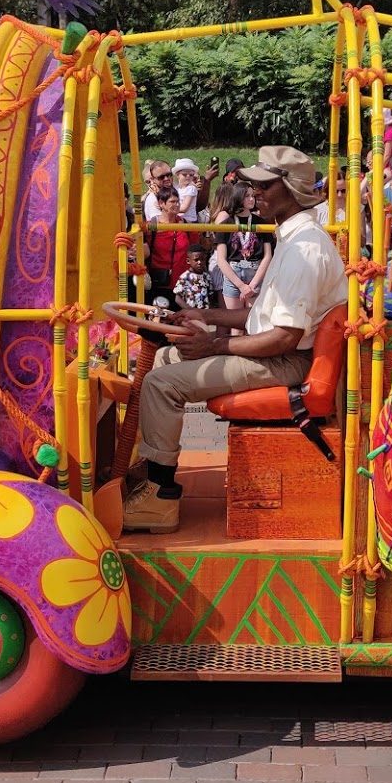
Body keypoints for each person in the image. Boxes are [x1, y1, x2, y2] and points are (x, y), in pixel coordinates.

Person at [123, 147, 343, 534]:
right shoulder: (293, 239)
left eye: (263, 185)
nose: (252, 192)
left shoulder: (304, 250)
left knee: (160, 383)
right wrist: (204, 316)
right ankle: (155, 467)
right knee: (164, 362)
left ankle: (160, 500)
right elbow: (264, 318)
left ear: (290, 190)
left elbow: (283, 337)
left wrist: (212, 345)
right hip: (279, 350)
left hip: (287, 361)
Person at [212, 183, 272, 320]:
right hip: (233, 274)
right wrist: (240, 285)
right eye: (247, 196)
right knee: (235, 324)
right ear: (238, 198)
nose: (252, 199)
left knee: (254, 323)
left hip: (256, 273)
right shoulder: (226, 224)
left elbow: (268, 255)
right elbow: (221, 259)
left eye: (253, 196)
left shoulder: (262, 222)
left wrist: (252, 285)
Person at [144, 187, 194, 303]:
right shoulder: (151, 226)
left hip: (183, 284)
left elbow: (194, 249)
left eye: (178, 201)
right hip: (159, 283)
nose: (176, 205)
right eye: (172, 202)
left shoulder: (187, 225)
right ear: (161, 203)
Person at [172, 243, 215, 311]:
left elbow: (211, 296)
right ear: (188, 261)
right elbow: (178, 298)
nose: (199, 262)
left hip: (205, 313)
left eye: (203, 259)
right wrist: (189, 309)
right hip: (190, 314)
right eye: (196, 260)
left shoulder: (207, 277)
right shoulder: (185, 277)